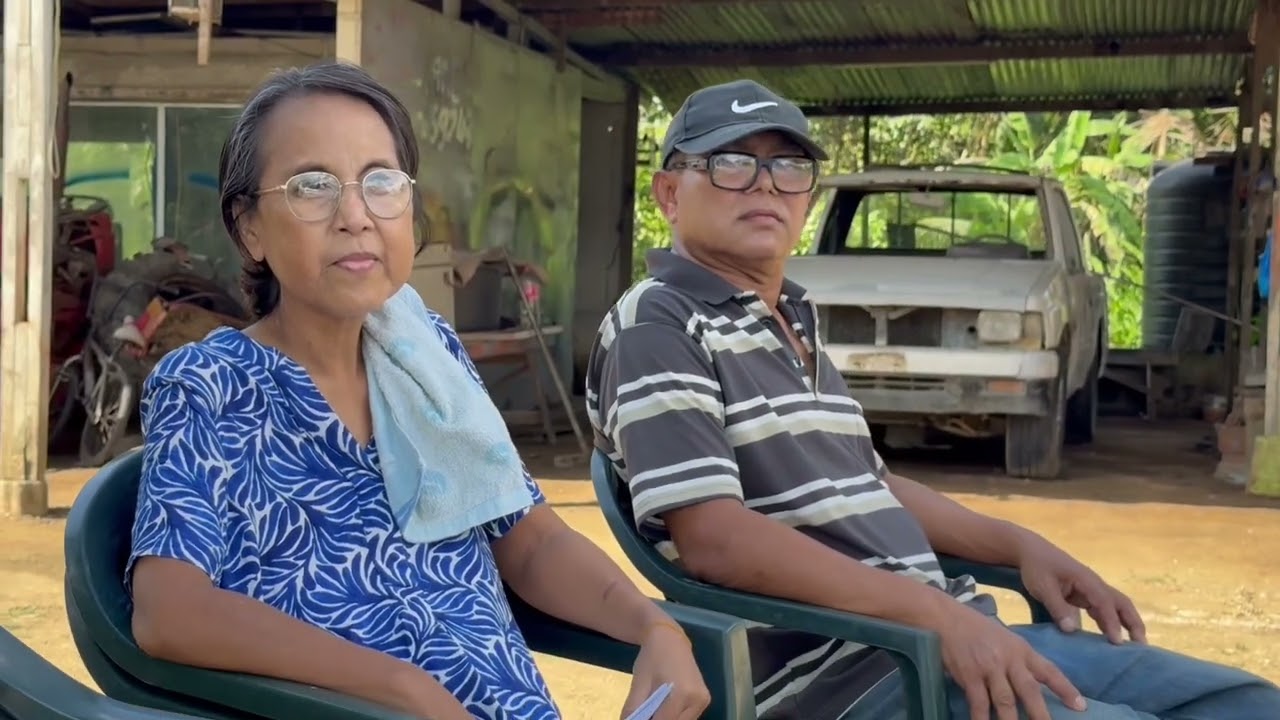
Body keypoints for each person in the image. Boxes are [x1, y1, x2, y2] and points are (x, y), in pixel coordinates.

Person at [584, 78, 1280, 720]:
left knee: (1247, 703)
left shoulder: (788, 317)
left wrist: (1019, 543)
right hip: (853, 678)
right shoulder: (660, 324)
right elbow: (715, 540)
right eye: (731, 164)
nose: (765, 186)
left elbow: (872, 483)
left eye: (789, 169)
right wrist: (937, 618)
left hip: (945, 637)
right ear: (669, 194)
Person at [127, 61, 709, 720]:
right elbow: (169, 610)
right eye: (313, 186)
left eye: (382, 182)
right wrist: (400, 690)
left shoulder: (424, 353)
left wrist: (654, 628)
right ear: (250, 227)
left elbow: (533, 540)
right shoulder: (209, 384)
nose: (355, 215)